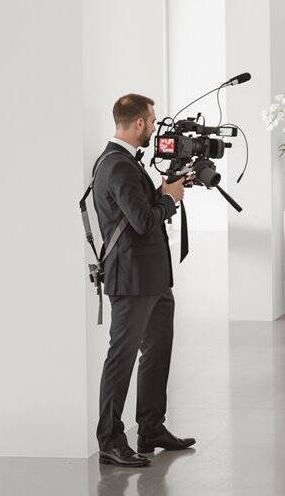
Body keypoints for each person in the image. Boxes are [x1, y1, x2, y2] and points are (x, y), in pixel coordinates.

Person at [92, 94, 196, 467]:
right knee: (121, 358)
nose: (154, 127)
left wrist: (167, 188)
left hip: (152, 279)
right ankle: (110, 439)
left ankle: (151, 428)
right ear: (138, 123)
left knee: (157, 349)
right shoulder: (117, 165)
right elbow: (141, 221)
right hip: (132, 281)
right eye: (152, 121)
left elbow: (139, 208)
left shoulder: (123, 163)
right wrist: (169, 200)